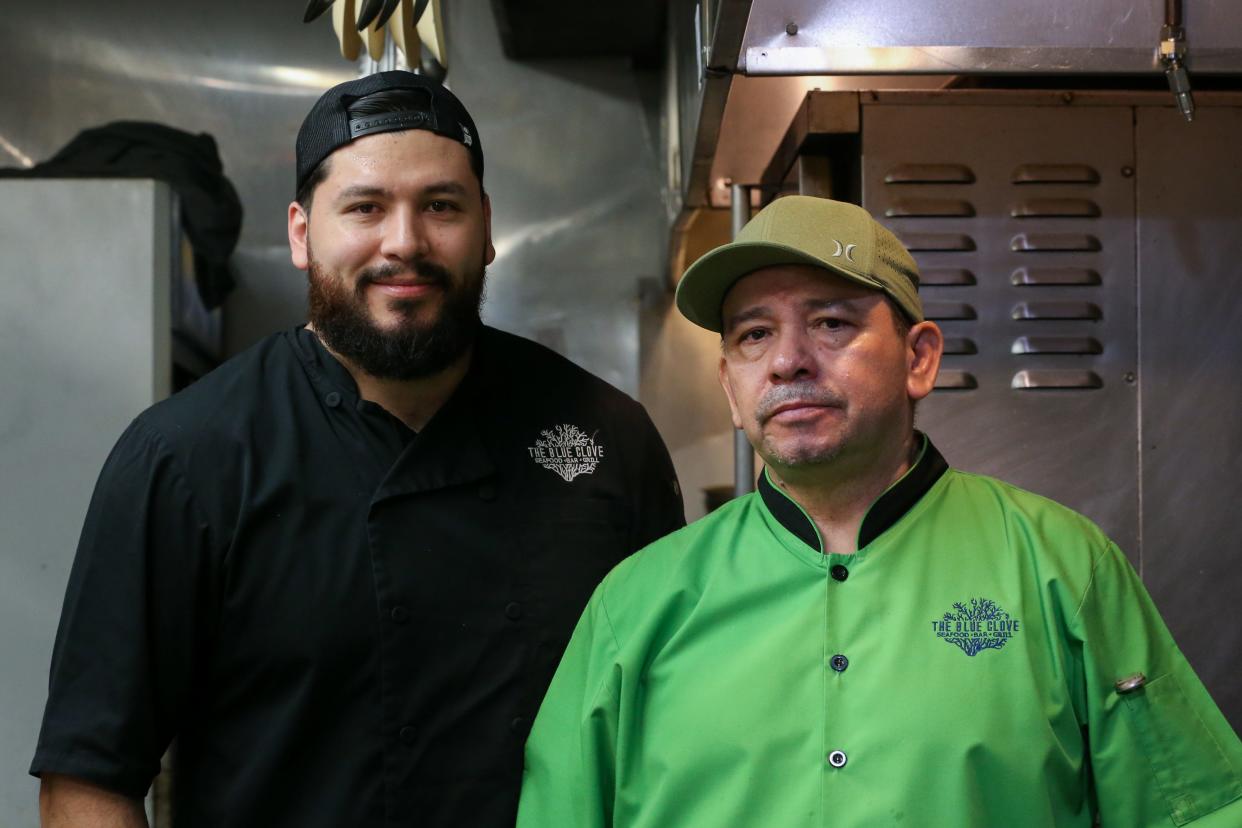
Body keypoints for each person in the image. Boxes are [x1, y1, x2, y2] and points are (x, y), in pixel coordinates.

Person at [31, 70, 684, 828]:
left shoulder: (606, 440)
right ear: (303, 235)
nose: (404, 243)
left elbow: (672, 733)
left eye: (441, 206)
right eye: (366, 208)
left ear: (488, 227)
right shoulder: (185, 459)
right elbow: (88, 778)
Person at [517, 195, 1242, 827]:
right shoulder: (637, 604)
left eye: (831, 323)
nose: (788, 360)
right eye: (753, 334)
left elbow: (1194, 810)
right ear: (730, 387)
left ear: (919, 358)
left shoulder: (1060, 567)